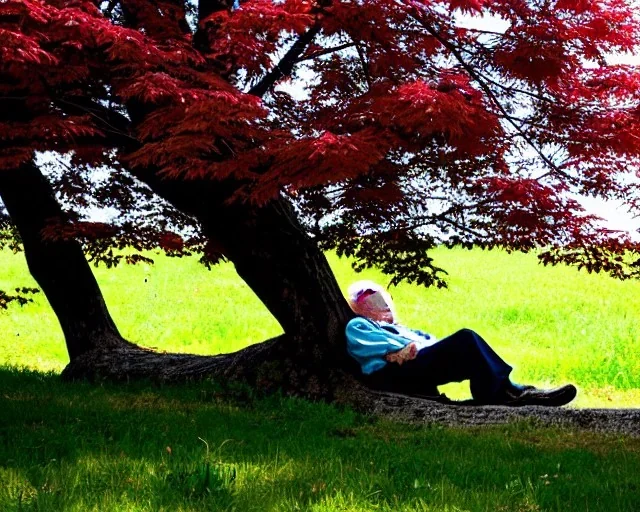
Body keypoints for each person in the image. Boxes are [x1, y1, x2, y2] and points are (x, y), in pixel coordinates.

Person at [345, 280, 577, 407]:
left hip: (414, 365)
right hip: (393, 372)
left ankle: (503, 390)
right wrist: (402, 351)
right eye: (372, 300)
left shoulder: (405, 329)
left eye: (382, 299)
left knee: (467, 345)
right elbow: (375, 351)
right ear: (360, 306)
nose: (381, 305)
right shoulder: (359, 325)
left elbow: (433, 345)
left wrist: (435, 349)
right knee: (466, 338)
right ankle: (502, 392)